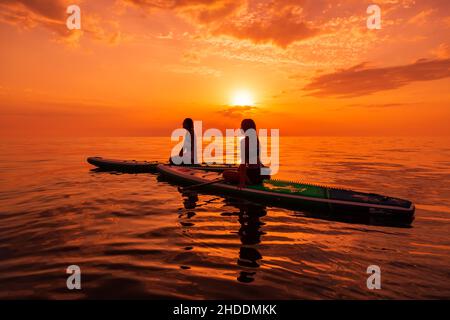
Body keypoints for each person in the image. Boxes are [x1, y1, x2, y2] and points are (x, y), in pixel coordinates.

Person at [223, 119, 269, 187]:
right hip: (259, 174)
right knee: (237, 170)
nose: (240, 128)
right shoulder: (256, 139)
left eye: (241, 126)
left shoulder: (244, 142)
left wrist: (242, 183)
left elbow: (243, 163)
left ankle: (247, 181)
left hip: (252, 176)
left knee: (225, 173)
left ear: (245, 128)